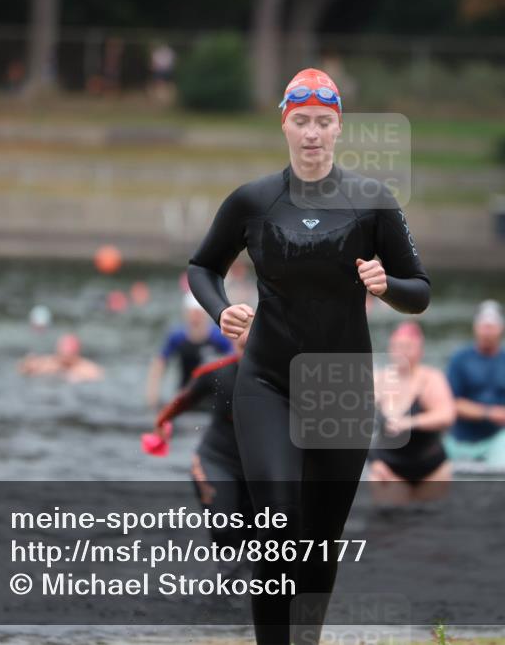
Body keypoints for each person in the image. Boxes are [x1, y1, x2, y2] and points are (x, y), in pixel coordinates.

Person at [187, 67, 430, 645]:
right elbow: (202, 267)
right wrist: (221, 308)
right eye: (302, 122)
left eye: (323, 122)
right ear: (285, 126)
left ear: (338, 128)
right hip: (267, 380)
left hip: (341, 388)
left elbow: (419, 290)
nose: (313, 133)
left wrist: (385, 283)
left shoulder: (372, 202)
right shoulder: (254, 201)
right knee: (276, 521)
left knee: (319, 542)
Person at [151, 321, 254, 577]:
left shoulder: (281, 377)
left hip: (258, 467)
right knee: (224, 525)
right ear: (231, 344)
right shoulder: (217, 373)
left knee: (259, 538)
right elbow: (182, 400)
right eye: (240, 343)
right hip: (216, 460)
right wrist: (162, 422)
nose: (245, 350)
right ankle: (224, 577)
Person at [368, 321, 455, 503]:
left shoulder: (430, 379)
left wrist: (410, 422)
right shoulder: (381, 380)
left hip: (431, 469)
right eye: (398, 346)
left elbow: (447, 416)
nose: (402, 352)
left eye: (408, 347)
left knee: (427, 523)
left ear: (420, 350)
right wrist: (373, 461)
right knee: (391, 522)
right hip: (390, 468)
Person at [444, 300, 505, 466]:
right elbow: (451, 403)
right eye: (484, 326)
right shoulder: (460, 359)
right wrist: (488, 413)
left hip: (496, 437)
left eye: (491, 327)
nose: (487, 332)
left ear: (500, 329)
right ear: (476, 327)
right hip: (461, 439)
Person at [145, 292, 233, 409]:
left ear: (205, 314)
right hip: (185, 395)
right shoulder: (177, 337)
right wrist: (153, 396)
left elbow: (235, 362)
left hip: (211, 397)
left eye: (198, 314)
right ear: (186, 314)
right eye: (192, 314)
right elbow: (159, 363)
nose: (195, 318)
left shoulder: (219, 337)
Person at [18, 333, 104, 383]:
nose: (66, 355)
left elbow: (98, 376)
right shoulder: (50, 363)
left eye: (69, 352)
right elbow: (23, 368)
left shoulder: (86, 368)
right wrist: (27, 364)